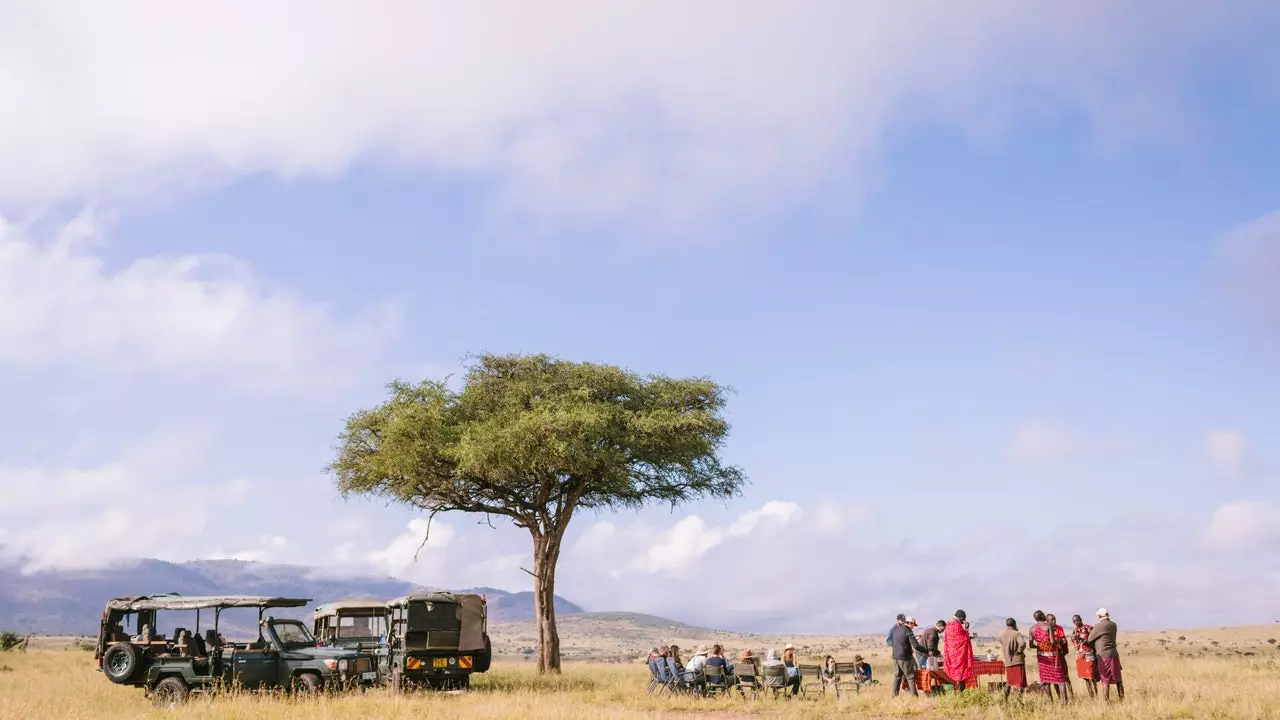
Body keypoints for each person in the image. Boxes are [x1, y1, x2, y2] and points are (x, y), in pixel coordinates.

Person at [1029, 611, 1069, 704]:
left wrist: (1040, 645)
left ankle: (1050, 702)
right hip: (1052, 656)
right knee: (1060, 680)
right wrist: (1058, 640)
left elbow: (1031, 645)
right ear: (1043, 616)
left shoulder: (1032, 629)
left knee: (1046, 681)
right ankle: (1064, 702)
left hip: (1041, 657)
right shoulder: (1048, 626)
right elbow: (1052, 641)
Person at [1087, 608, 1124, 702]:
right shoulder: (1113, 625)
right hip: (1114, 653)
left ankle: (1106, 701)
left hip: (1103, 654)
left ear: (1099, 616)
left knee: (1105, 679)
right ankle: (1122, 699)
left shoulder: (1099, 626)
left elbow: (1089, 639)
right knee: (1118, 678)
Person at [887, 613, 927, 696]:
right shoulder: (908, 630)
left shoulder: (896, 630)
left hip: (895, 657)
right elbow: (916, 646)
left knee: (897, 676)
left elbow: (895, 642)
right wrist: (926, 651)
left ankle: (894, 696)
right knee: (910, 676)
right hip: (904, 657)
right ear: (909, 623)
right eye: (913, 625)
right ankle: (915, 697)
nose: (913, 627)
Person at [943, 609, 975, 691]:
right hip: (958, 655)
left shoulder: (948, 624)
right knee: (960, 675)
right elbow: (964, 639)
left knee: (957, 674)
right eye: (963, 619)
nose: (963, 621)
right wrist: (967, 628)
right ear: (960, 618)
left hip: (951, 653)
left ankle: (957, 691)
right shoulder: (956, 625)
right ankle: (959, 691)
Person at [998, 618, 1027, 699]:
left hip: (1008, 661)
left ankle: (1005, 700)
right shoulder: (1017, 633)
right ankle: (1019, 701)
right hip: (1018, 661)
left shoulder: (1001, 634)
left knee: (1009, 682)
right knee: (1020, 683)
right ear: (1014, 624)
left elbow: (1001, 641)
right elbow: (1022, 643)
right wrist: (1019, 651)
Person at [1072, 614, 1098, 699]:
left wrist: (1081, 639)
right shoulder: (1075, 630)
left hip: (1089, 655)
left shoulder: (1088, 628)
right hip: (1080, 656)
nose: (1076, 622)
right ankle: (1092, 698)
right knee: (1085, 678)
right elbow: (1074, 642)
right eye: (1074, 621)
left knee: (1091, 677)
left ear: (1081, 619)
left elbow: (1094, 641)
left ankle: (1096, 697)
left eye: (1077, 620)